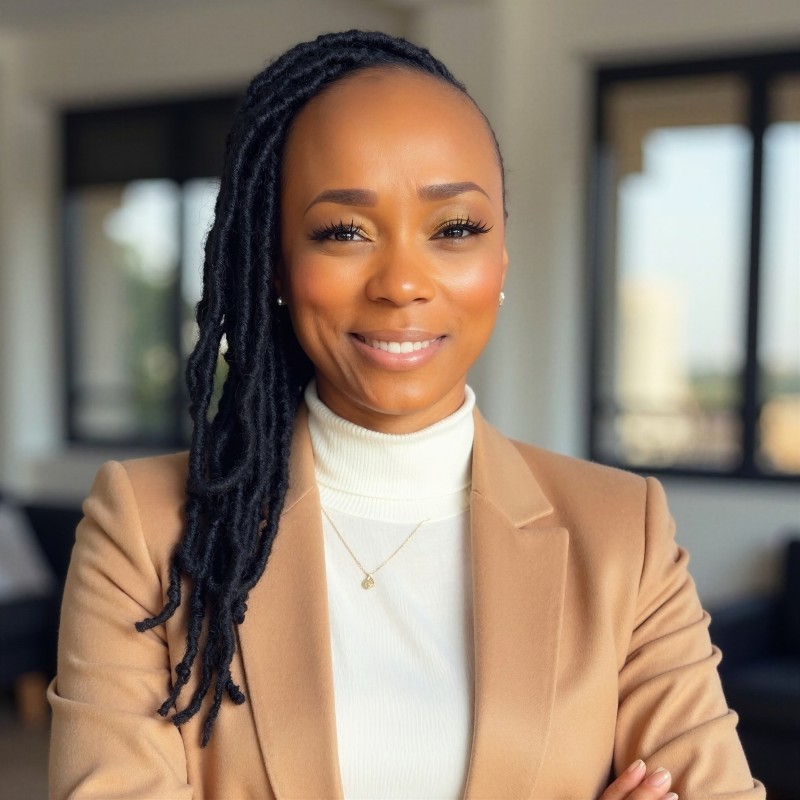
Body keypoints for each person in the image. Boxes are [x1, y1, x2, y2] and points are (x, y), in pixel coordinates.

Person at [48, 29, 765, 800]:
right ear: (277, 266)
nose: (401, 284)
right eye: (343, 232)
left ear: (500, 260)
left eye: (454, 229)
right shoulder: (144, 528)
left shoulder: (623, 531)